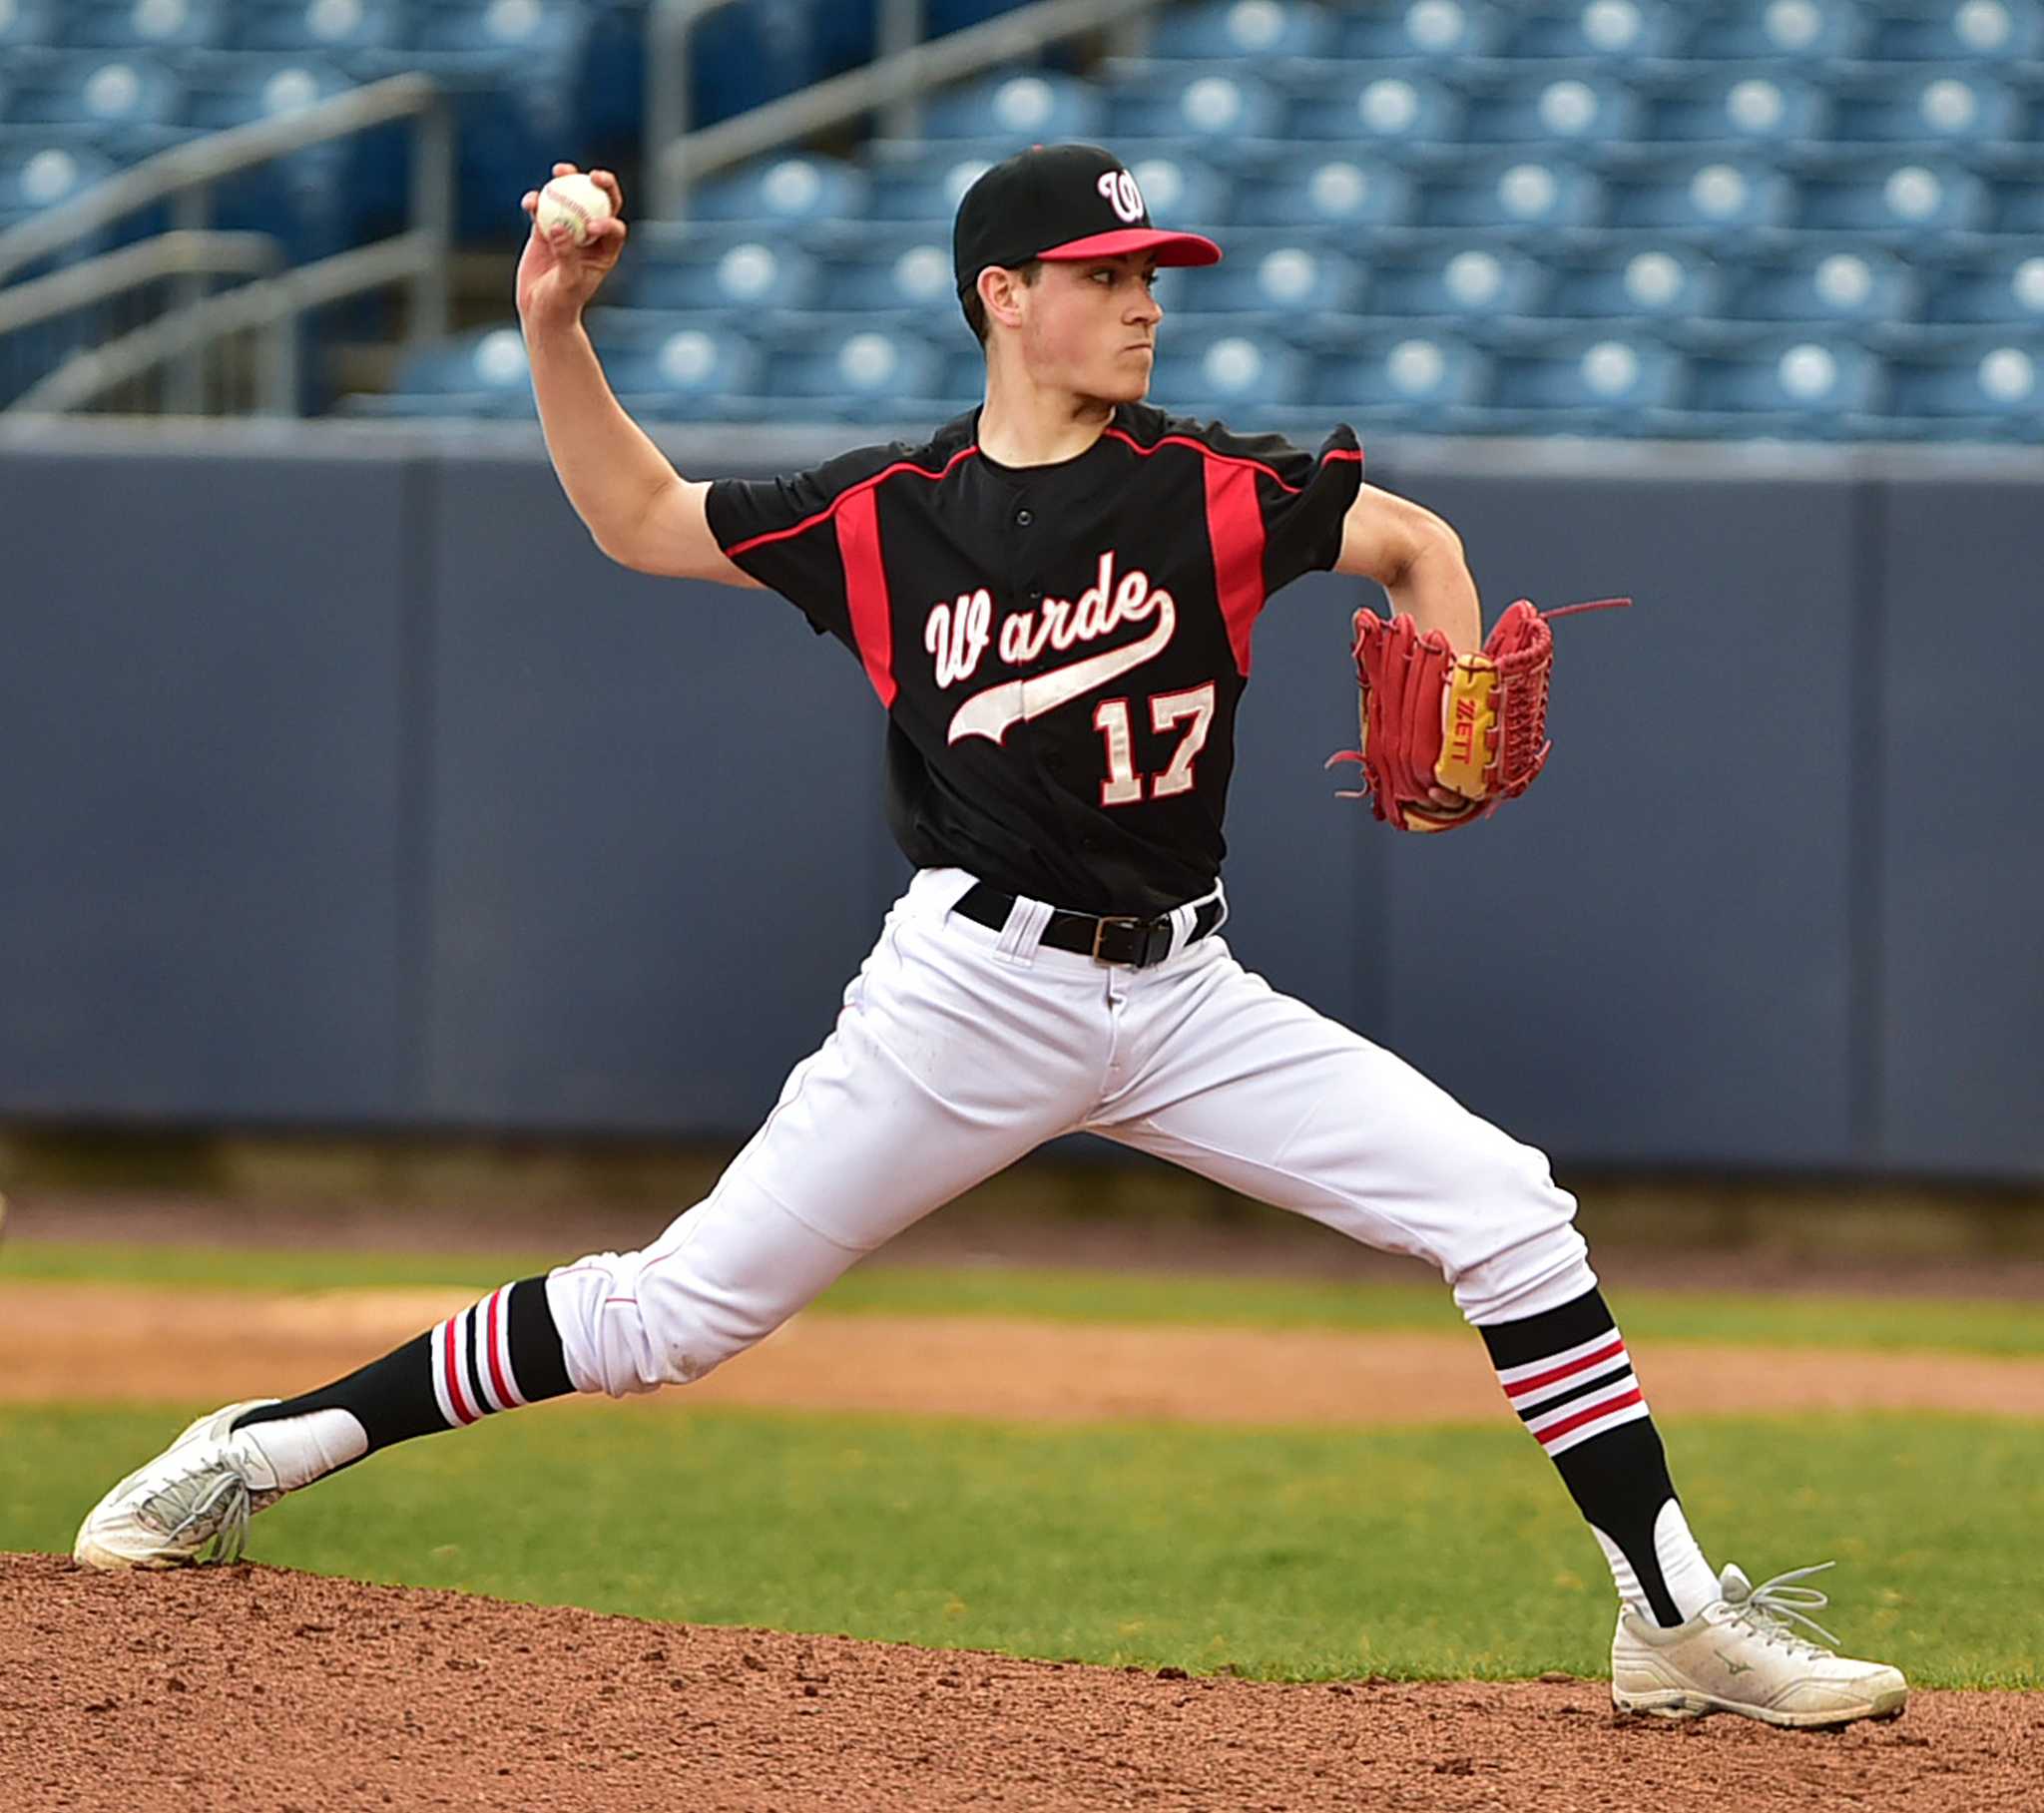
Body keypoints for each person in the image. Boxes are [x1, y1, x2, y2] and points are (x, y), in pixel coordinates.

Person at [75, 143, 1904, 1730]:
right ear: (1002, 296)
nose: (1143, 303)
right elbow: (638, 517)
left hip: (1186, 991)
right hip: (968, 988)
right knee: (676, 1312)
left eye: (1153, 275)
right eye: (1106, 276)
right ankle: (267, 1444)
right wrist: (555, 323)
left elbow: (1410, 535)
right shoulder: (894, 515)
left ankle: (1672, 1618)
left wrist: (1458, 655)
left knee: (1505, 1206)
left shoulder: (1208, 488)